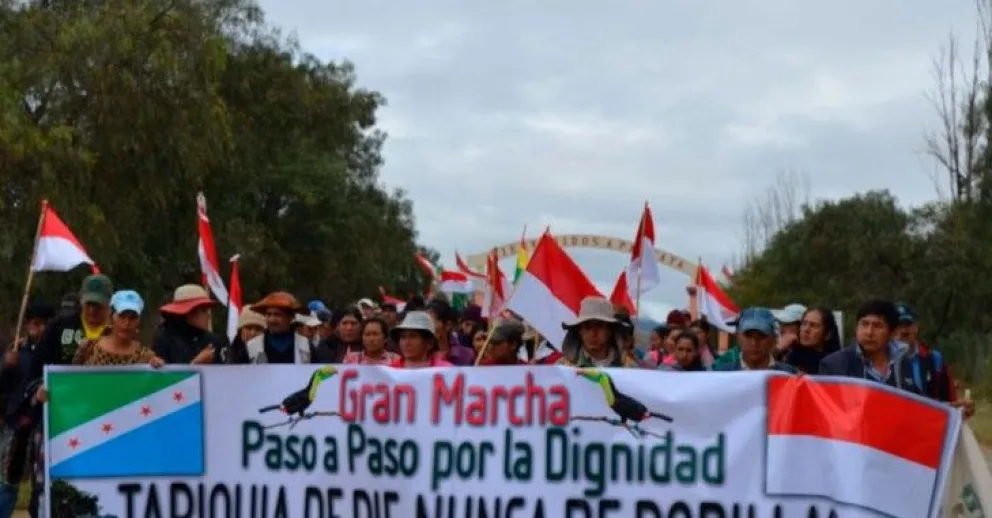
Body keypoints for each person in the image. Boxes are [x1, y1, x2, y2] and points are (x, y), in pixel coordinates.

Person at [0, 302, 53, 518]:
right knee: (7, 482)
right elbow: (2, 388)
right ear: (28, 324)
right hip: (16, 425)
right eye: (34, 323)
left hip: (45, 426)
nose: (38, 328)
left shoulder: (55, 352)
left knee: (41, 486)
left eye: (43, 324)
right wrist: (6, 366)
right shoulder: (15, 351)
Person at [819, 300, 920, 393]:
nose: (869, 332)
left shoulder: (902, 362)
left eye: (877, 326)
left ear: (892, 333)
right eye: (864, 324)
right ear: (856, 328)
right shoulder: (835, 365)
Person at [28, 274, 114, 380]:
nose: (92, 310)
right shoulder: (59, 327)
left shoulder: (118, 332)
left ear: (109, 303)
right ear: (81, 300)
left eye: (98, 305)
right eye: (89, 304)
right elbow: (37, 368)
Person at [894, 303, 972, 416]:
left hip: (929, 427)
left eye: (907, 324)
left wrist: (962, 409)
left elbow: (951, 402)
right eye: (896, 326)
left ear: (916, 327)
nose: (902, 331)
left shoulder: (935, 359)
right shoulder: (882, 361)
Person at [72, 291, 164, 367]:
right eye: (122, 316)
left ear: (139, 321)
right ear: (111, 316)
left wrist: (157, 366)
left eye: (132, 317)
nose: (127, 322)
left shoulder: (145, 356)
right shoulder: (88, 347)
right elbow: (74, 380)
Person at [152, 284, 225, 365]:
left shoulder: (213, 341)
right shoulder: (164, 340)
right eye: (204, 311)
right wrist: (195, 364)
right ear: (189, 313)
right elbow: (162, 376)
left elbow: (223, 374)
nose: (209, 315)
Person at [558, 297, 639, 368]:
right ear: (580, 331)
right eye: (587, 327)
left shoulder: (629, 368)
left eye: (600, 326)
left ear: (609, 330)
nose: (593, 333)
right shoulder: (564, 367)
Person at [713, 307, 798, 373]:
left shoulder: (789, 375)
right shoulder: (720, 374)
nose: (754, 343)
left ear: (773, 340)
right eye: (748, 336)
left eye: (762, 336)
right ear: (738, 337)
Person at [245, 292, 311, 364]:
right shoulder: (252, 346)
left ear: (290, 317)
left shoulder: (306, 345)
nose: (272, 319)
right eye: (268, 314)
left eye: (278, 314)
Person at [782, 307, 840, 374]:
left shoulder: (835, 364)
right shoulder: (791, 357)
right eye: (804, 323)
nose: (806, 329)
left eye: (814, 325)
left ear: (828, 335)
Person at [426, 299, 475, 365]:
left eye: (431, 322)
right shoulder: (419, 356)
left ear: (447, 325)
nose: (427, 327)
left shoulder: (467, 355)